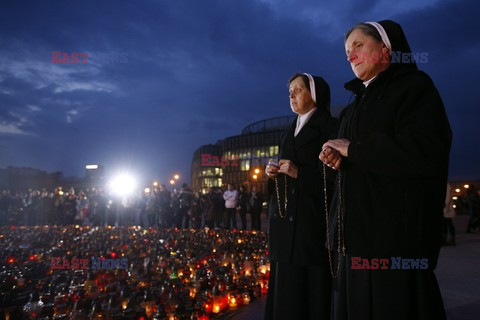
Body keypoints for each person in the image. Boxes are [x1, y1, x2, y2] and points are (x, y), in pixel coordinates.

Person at [320, 20, 451, 319]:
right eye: (346, 51)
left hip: (392, 241)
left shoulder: (415, 88)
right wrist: (335, 158)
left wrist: (353, 149)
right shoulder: (353, 106)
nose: (350, 56)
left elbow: (425, 150)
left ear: (385, 48)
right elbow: (354, 163)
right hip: (351, 240)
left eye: (358, 46)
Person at [264, 72, 337, 319]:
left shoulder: (328, 125)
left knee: (312, 289)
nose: (292, 95)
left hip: (310, 222)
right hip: (285, 222)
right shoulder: (288, 130)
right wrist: (272, 174)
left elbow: (334, 178)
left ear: (314, 94)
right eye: (290, 91)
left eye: (298, 90)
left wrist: (299, 173)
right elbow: (284, 171)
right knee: (285, 286)